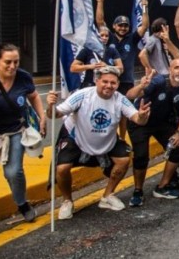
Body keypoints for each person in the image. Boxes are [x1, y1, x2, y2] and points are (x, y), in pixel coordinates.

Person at [46, 66, 150, 219]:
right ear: (97, 81)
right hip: (77, 138)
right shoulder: (82, 95)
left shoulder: (120, 99)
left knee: (124, 159)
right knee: (61, 169)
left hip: (106, 140)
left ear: (118, 84)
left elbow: (137, 119)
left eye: (113, 83)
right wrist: (50, 105)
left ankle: (107, 196)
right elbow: (55, 114)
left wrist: (142, 115)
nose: (109, 86)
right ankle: (67, 201)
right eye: (105, 82)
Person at [0, 44, 47, 235]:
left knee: (13, 172)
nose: (12, 66)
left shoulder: (23, 77)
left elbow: (34, 96)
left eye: (16, 62)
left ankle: (22, 203)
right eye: (7, 62)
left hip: (15, 133)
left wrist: (41, 117)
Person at [125, 59, 179, 206]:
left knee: (177, 148)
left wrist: (178, 132)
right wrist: (141, 86)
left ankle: (162, 186)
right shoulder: (158, 82)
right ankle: (138, 191)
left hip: (161, 122)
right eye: (176, 68)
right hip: (141, 122)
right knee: (141, 156)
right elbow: (130, 96)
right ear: (170, 69)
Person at [94, 0, 149, 94]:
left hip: (126, 81)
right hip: (109, 79)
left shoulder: (132, 39)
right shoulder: (108, 36)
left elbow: (145, 26)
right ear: (114, 26)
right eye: (120, 25)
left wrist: (145, 8)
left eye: (125, 26)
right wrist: (100, 2)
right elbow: (100, 21)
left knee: (126, 108)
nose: (122, 28)